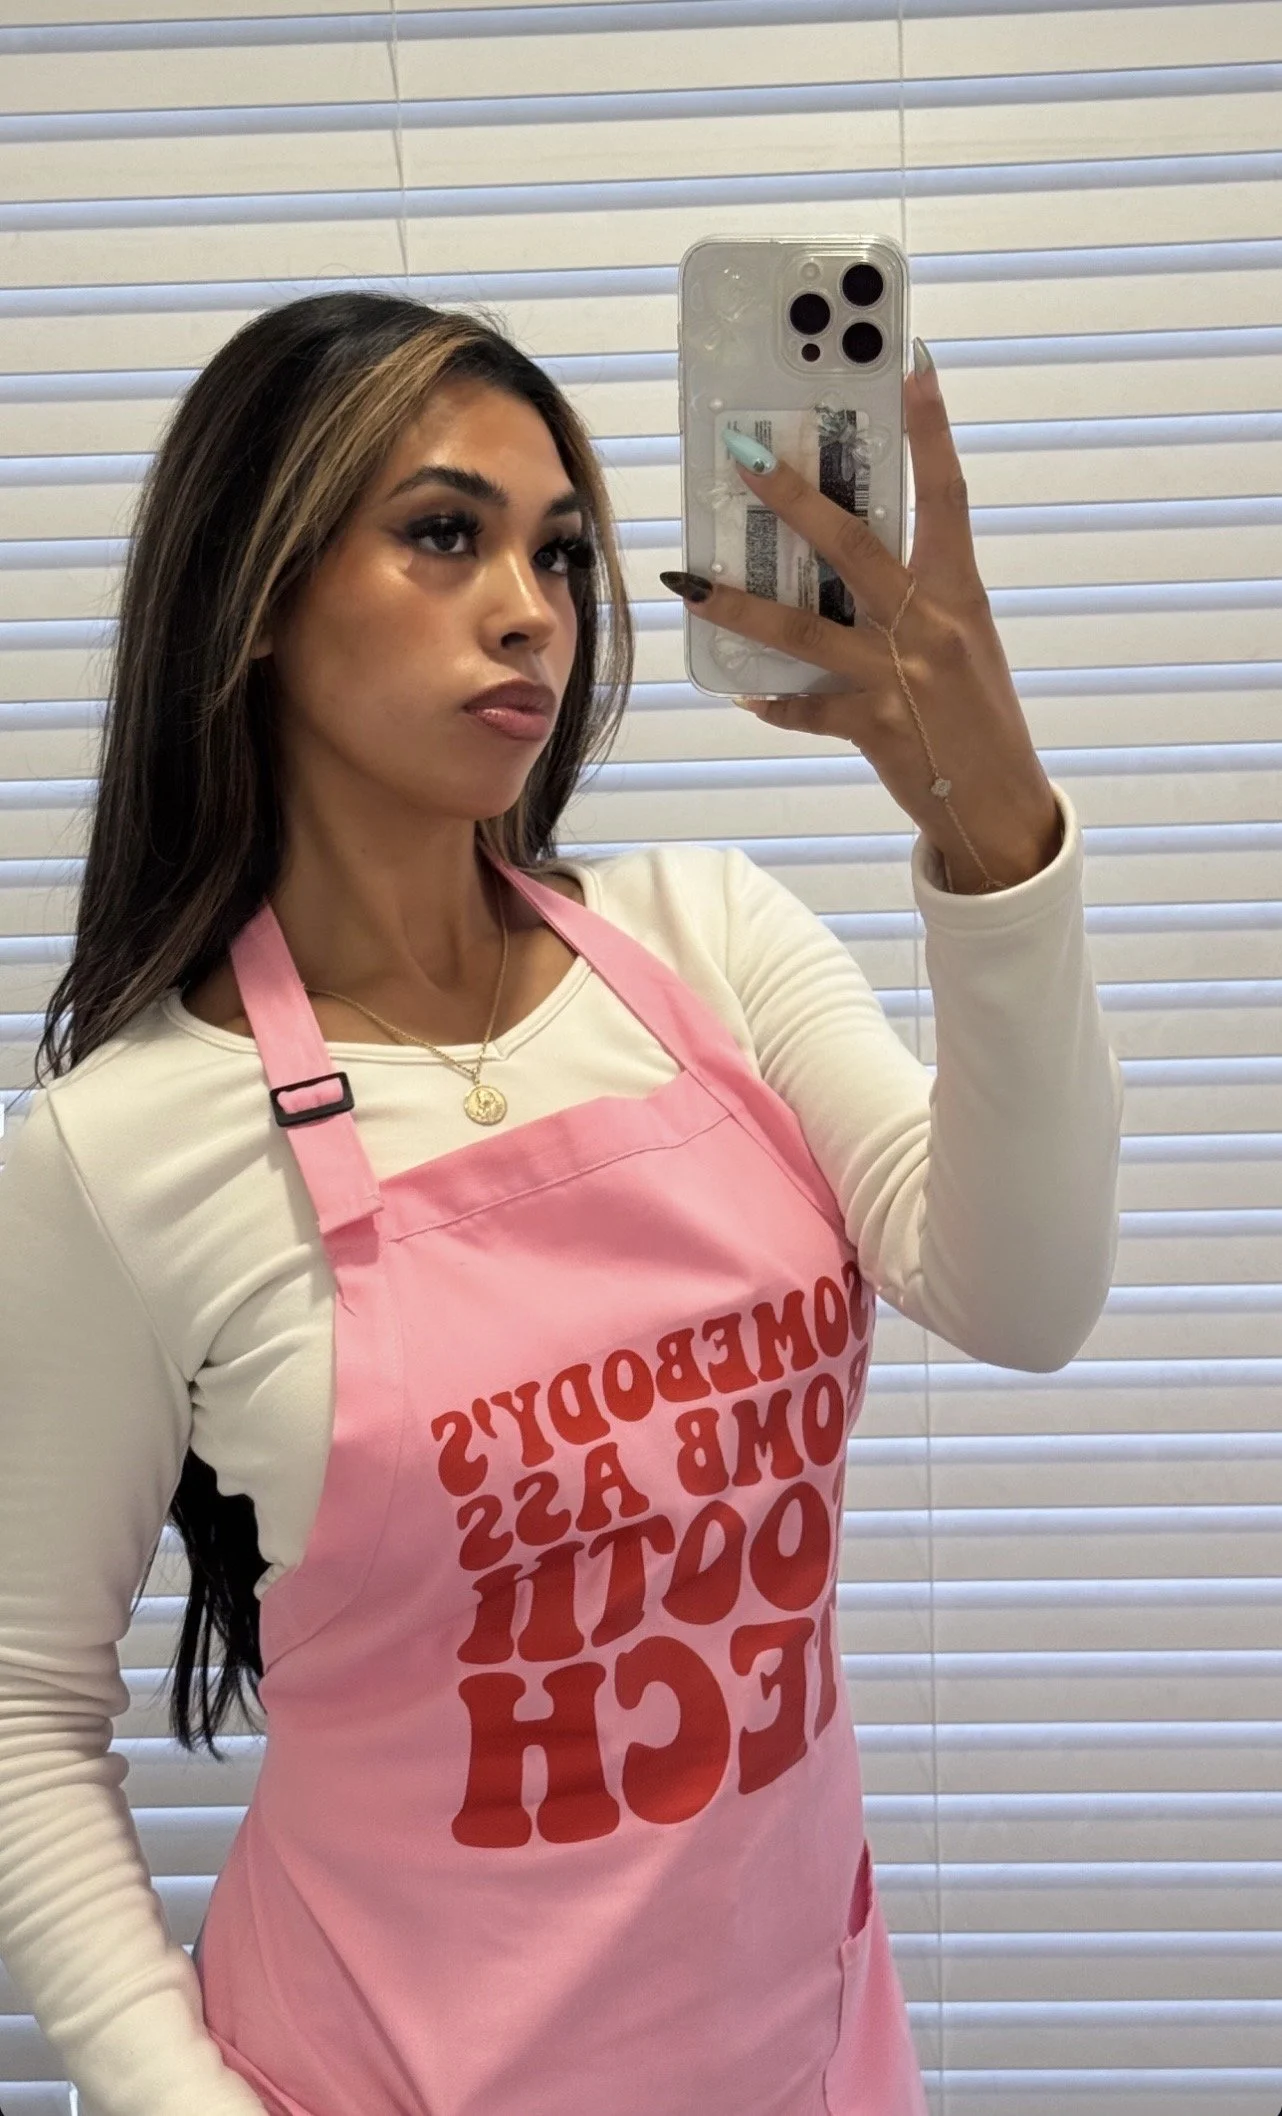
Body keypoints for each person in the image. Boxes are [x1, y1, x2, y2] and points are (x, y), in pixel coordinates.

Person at [0, 291, 1123, 2116]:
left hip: (796, 2053)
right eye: (442, 535)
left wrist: (988, 819)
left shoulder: (711, 944)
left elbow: (1028, 1292)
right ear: (260, 590)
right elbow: (22, 1715)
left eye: (562, 552)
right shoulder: (125, 1151)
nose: (530, 607)